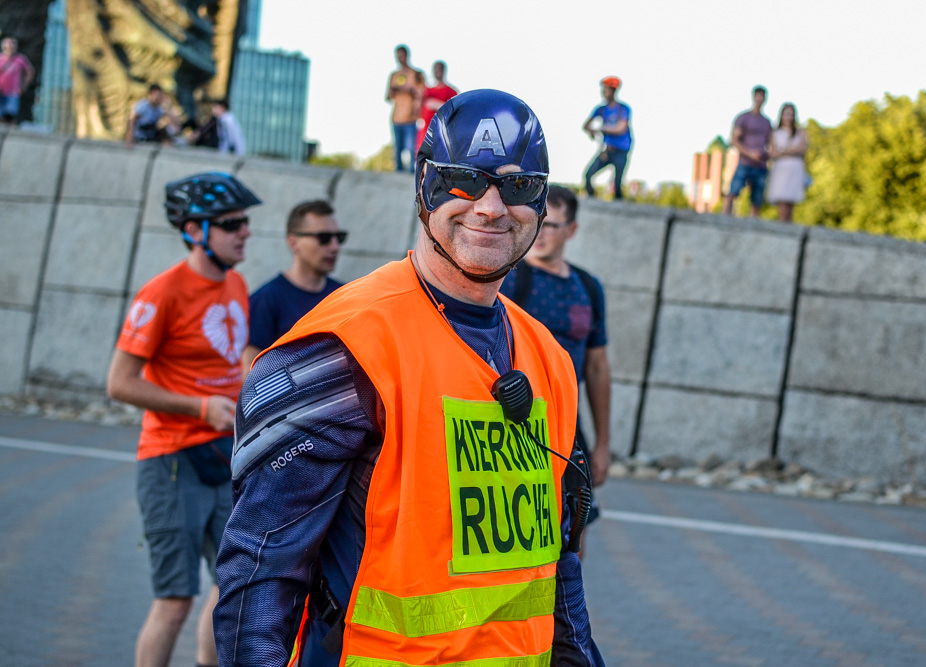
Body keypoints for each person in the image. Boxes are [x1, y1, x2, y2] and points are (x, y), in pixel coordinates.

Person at [214, 89, 604, 667]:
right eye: (465, 179)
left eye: (519, 186)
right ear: (424, 182)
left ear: (543, 204)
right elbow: (259, 573)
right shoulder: (341, 348)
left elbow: (557, 569)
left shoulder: (549, 358)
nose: (492, 207)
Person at [106, 172, 261, 667]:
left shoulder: (236, 284)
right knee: (174, 600)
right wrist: (199, 407)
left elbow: (226, 363)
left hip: (224, 455)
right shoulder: (162, 293)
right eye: (231, 223)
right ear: (195, 231)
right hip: (172, 459)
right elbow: (120, 383)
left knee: (233, 585)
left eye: (245, 222)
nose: (245, 231)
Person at [500, 185, 611, 559]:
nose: (541, 231)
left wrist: (603, 443)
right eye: (539, 221)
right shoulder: (508, 278)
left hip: (569, 428)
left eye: (553, 224)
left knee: (576, 531)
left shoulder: (588, 288)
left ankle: (565, 614)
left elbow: (597, 368)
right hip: (515, 426)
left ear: (572, 230)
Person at [242, 199, 347, 372]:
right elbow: (250, 372)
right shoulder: (267, 299)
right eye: (324, 238)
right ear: (293, 242)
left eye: (339, 237)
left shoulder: (343, 296)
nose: (334, 247)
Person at [723, 85, 772, 217]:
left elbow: (771, 143)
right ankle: (723, 218)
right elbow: (734, 140)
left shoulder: (767, 122)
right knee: (732, 193)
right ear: (754, 97)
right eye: (758, 96)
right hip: (744, 163)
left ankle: (753, 225)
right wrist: (750, 153)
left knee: (757, 200)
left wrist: (766, 155)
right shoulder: (743, 118)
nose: (760, 99)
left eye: (762, 97)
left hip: (761, 165)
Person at [582, 75, 632, 200]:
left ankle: (619, 208)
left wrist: (600, 129)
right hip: (606, 150)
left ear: (613, 91)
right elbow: (586, 125)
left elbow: (621, 128)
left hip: (621, 151)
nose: (603, 92)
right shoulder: (601, 109)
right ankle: (592, 200)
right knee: (588, 175)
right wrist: (591, 132)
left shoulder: (623, 109)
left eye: (606, 89)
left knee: (618, 184)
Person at [767, 102, 809, 222]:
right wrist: (793, 150)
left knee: (791, 201)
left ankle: (788, 224)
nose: (788, 117)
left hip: (795, 169)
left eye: (791, 114)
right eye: (786, 114)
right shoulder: (775, 133)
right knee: (782, 200)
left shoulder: (801, 132)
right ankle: (782, 224)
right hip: (781, 170)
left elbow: (803, 148)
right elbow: (773, 152)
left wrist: (784, 150)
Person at [385, 44, 424, 172]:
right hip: (396, 117)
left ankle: (413, 176)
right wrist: (394, 89)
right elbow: (388, 97)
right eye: (398, 56)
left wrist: (410, 89)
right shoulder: (394, 75)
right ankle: (398, 176)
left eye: (402, 55)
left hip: (411, 117)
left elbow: (422, 93)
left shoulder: (416, 74)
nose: (400, 58)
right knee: (398, 150)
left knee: (411, 149)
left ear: (407, 55)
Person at [415, 60, 458, 153]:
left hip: (442, 134)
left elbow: (454, 111)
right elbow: (417, 109)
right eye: (435, 69)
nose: (437, 72)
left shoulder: (451, 91)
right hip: (426, 132)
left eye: (439, 69)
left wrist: (437, 104)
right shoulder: (426, 91)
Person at [0, 37, 35, 126]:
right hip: (1, 90)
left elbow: (30, 72)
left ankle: (9, 135)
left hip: (13, 91)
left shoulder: (20, 59)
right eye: (7, 46)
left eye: (12, 46)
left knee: (11, 115)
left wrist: (24, 85)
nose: (10, 48)